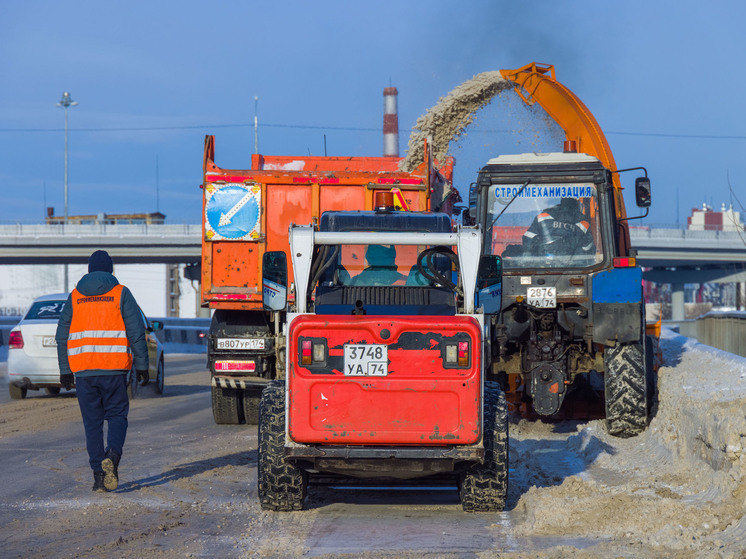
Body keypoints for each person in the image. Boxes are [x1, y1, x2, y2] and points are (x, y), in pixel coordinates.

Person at [55, 250, 149, 493]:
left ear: (89, 270)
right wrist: (142, 365)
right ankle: (113, 456)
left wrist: (65, 371)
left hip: (84, 372)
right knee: (117, 416)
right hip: (115, 369)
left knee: (92, 424)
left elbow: (62, 335)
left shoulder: (75, 297)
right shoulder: (121, 294)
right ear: (110, 270)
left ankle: (99, 477)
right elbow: (136, 332)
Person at [521, 197, 595, 257]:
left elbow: (527, 241)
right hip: (573, 269)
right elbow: (588, 251)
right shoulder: (584, 223)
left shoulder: (543, 216)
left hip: (543, 265)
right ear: (578, 205)